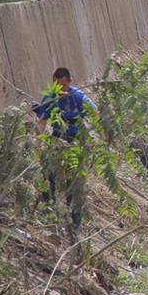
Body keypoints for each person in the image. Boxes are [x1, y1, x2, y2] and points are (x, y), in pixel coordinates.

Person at [35, 67, 98, 237]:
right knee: (48, 172)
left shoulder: (78, 96)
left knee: (73, 180)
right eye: (56, 85)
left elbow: (96, 113)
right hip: (58, 138)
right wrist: (38, 142)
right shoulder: (50, 98)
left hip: (76, 139)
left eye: (62, 85)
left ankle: (75, 223)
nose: (60, 90)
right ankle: (49, 207)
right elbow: (42, 122)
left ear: (69, 82)